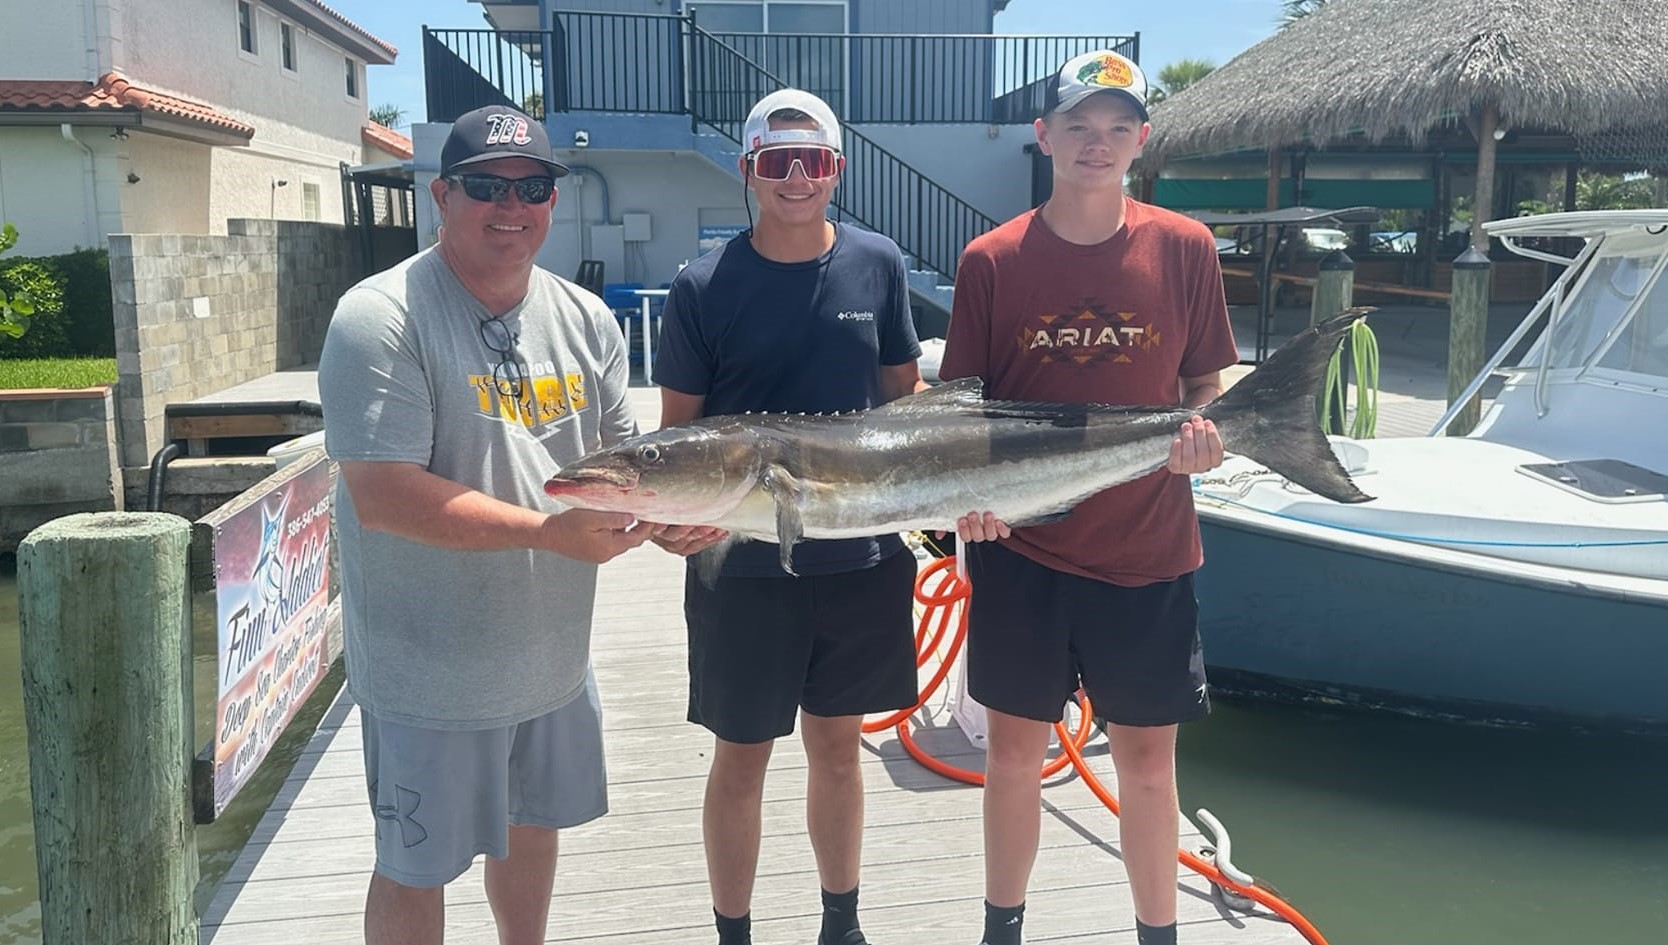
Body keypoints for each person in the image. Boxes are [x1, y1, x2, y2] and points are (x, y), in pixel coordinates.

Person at [318, 104, 717, 945]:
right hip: (426, 673)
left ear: (552, 199)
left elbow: (621, 469)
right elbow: (383, 495)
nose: (511, 206)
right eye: (486, 187)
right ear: (441, 195)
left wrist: (675, 518)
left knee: (535, 832)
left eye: (532, 186)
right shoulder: (380, 316)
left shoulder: (585, 319)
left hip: (551, 664)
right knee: (413, 865)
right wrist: (544, 532)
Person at [938, 51, 1237, 945]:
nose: (1095, 142)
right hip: (1020, 550)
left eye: (1116, 126)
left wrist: (1201, 440)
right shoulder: (990, 260)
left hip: (1148, 551)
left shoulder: (1185, 247)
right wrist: (969, 503)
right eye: (1077, 124)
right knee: (1013, 760)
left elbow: (1205, 386)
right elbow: (961, 414)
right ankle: (1004, 929)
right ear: (1044, 136)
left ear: (1141, 139)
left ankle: (1158, 933)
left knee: (1149, 768)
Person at [651, 88, 926, 945]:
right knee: (741, 759)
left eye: (814, 161)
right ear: (749, 172)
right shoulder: (701, 286)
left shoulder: (878, 266)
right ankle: (733, 930)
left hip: (859, 560)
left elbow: (904, 406)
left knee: (838, 752)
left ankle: (839, 923)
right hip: (743, 568)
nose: (797, 177)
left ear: (837, 170)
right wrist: (670, 522)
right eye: (778, 161)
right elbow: (678, 437)